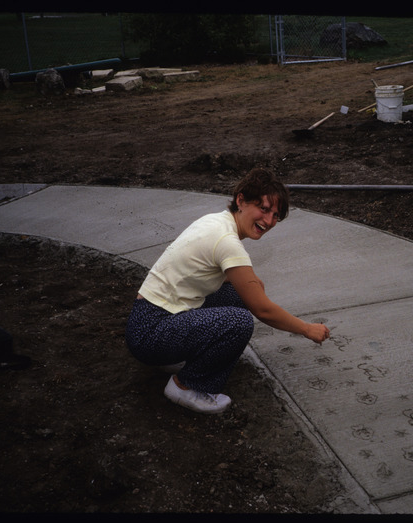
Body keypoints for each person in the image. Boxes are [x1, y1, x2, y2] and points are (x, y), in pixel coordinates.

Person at [125, 168, 330, 414]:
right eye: (263, 209)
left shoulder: (215, 221)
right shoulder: (227, 241)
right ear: (241, 200)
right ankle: (187, 387)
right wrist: (307, 329)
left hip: (149, 320)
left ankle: (184, 357)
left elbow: (212, 275)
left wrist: (252, 286)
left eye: (276, 215)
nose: (268, 221)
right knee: (239, 321)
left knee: (237, 297)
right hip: (152, 333)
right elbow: (263, 310)